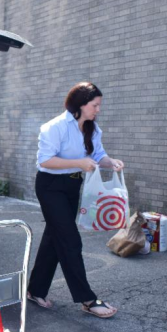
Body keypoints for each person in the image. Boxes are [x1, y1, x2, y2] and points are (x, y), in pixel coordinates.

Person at [26, 82, 124, 319]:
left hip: (73, 186)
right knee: (70, 240)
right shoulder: (55, 127)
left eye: (99, 105)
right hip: (50, 186)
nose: (98, 110)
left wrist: (111, 162)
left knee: (54, 237)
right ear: (80, 104)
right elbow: (45, 161)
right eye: (95, 105)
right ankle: (87, 299)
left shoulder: (92, 128)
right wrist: (79, 163)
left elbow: (97, 154)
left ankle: (35, 290)